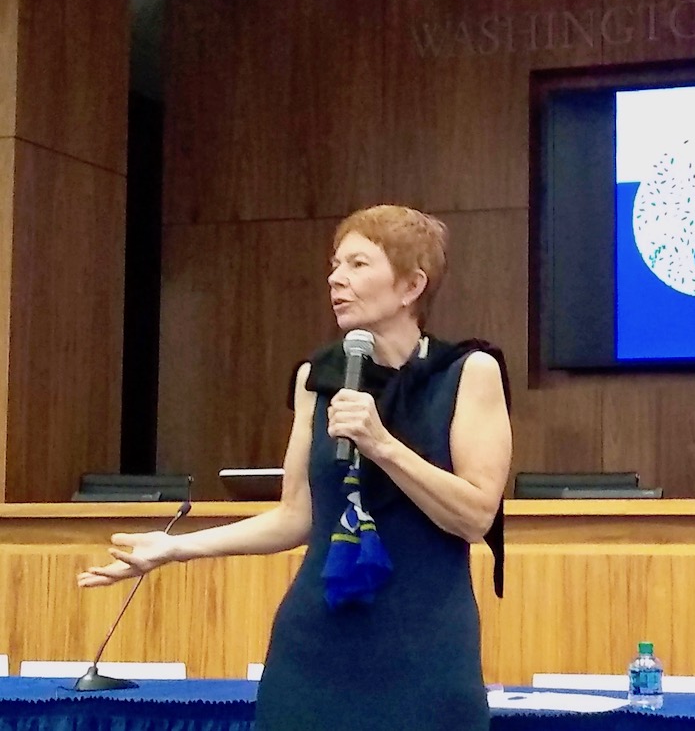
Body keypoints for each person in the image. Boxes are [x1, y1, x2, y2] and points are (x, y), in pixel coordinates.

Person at [78, 204, 512, 731]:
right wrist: (175, 548)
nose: (336, 278)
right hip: (315, 650)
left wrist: (382, 446)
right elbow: (295, 517)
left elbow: (475, 517)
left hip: (426, 649)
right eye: (335, 265)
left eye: (358, 264)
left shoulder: (468, 372)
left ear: (411, 286)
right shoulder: (318, 377)